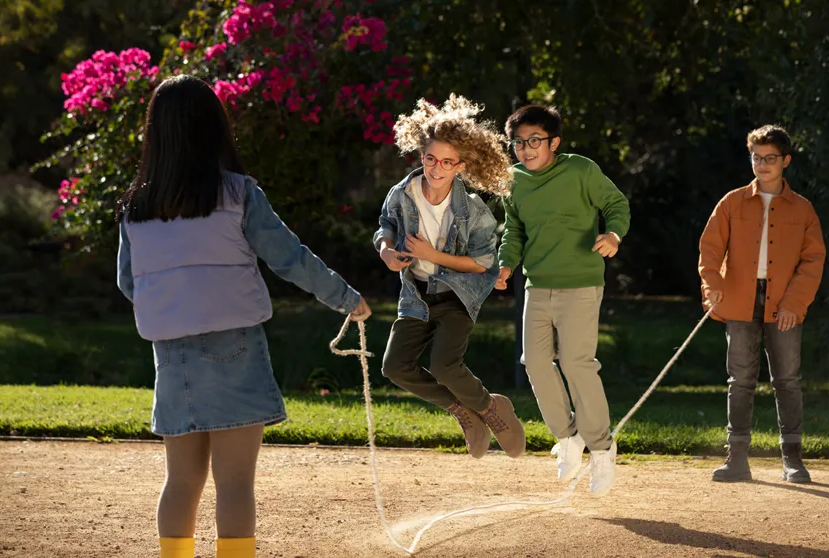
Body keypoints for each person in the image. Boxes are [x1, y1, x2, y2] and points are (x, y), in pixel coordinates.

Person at [116, 74, 371, 558]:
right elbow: (289, 258)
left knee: (180, 481)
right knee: (234, 483)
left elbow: (130, 283)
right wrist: (345, 298)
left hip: (169, 353)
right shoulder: (238, 194)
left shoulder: (136, 208)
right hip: (234, 344)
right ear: (214, 128)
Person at [374, 94, 526, 459]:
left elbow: (483, 263)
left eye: (446, 162)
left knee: (444, 366)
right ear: (421, 155)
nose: (436, 168)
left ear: (460, 166)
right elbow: (385, 226)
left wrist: (432, 256)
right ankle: (463, 411)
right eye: (430, 158)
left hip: (457, 296)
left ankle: (491, 408)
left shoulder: (473, 211)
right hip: (416, 296)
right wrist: (386, 251)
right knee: (394, 367)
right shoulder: (402, 194)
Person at [495, 104, 631, 496]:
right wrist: (506, 264)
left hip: (581, 284)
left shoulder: (581, 170)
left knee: (576, 363)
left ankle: (602, 448)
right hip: (537, 285)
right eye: (518, 142)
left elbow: (616, 204)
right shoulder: (514, 181)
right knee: (535, 362)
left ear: (554, 142)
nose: (525, 149)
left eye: (534, 140)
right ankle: (568, 437)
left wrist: (613, 235)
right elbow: (514, 231)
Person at [698, 124, 826, 483]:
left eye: (771, 158)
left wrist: (794, 304)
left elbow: (813, 260)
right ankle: (737, 458)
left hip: (785, 303)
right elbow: (710, 249)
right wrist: (713, 286)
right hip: (739, 299)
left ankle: (793, 460)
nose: (763, 164)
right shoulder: (732, 202)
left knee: (787, 379)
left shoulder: (803, 209)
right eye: (757, 157)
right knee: (740, 379)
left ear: (786, 161)